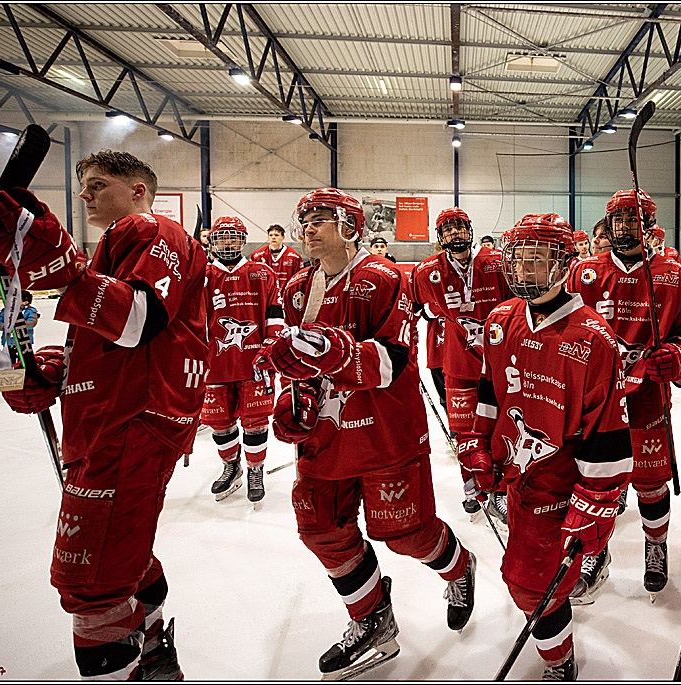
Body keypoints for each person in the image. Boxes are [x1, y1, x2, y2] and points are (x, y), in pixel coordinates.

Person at [0, 149, 208, 679]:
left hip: (131, 421)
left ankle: (135, 661)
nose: (84, 194)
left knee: (90, 581)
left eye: (98, 184)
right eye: (84, 185)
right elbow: (106, 340)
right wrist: (53, 370)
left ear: (138, 190)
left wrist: (59, 266)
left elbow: (139, 319)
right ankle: (152, 651)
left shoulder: (150, 228)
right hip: (116, 419)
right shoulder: (118, 244)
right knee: (123, 554)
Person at [253, 188, 477, 680]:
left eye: (321, 218)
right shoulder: (296, 288)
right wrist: (294, 398)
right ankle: (372, 617)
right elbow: (296, 359)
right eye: (306, 219)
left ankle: (459, 566)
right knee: (320, 529)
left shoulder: (384, 278)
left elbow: (394, 360)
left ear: (350, 227)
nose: (309, 228)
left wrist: (335, 353)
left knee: (407, 534)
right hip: (327, 436)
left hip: (385, 433)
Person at [457, 213, 632, 680]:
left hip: (561, 477)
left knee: (532, 584)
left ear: (563, 264)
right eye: (518, 258)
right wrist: (478, 440)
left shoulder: (592, 336)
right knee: (536, 576)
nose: (523, 269)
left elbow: (608, 430)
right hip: (515, 471)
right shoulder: (500, 320)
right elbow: (492, 389)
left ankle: (559, 662)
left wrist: (597, 500)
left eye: (537, 258)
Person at [566, 189, 681, 604]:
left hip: (647, 398)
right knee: (594, 482)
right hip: (596, 400)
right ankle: (596, 551)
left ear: (649, 223)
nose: (625, 226)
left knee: (650, 483)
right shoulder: (583, 272)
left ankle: (656, 544)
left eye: (633, 218)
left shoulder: (673, 275)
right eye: (618, 219)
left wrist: (675, 355)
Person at [411, 207, 513, 525]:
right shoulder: (427, 271)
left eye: (459, 227)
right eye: (447, 229)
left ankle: (500, 489)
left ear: (470, 230)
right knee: (463, 432)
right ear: (439, 237)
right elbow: (409, 308)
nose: (455, 233)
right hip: (458, 362)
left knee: (503, 428)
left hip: (498, 361)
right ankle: (472, 485)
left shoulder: (497, 262)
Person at [202, 216, 283, 504]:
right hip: (214, 364)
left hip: (254, 362)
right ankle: (231, 466)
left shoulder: (262, 273)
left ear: (242, 240)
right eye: (222, 237)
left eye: (233, 237)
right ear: (213, 241)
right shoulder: (202, 275)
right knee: (219, 422)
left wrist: (271, 345)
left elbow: (275, 313)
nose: (227, 242)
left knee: (256, 422)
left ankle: (255, 470)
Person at [251, 223, 304, 298]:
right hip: (264, 296)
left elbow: (299, 281)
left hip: (285, 297)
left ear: (283, 237)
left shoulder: (294, 257)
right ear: (268, 237)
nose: (273, 237)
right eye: (271, 235)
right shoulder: (257, 256)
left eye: (276, 235)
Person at [0, 290, 40, 363]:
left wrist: (18, 324)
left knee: (23, 360)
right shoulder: (6, 310)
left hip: (24, 342)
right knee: (9, 360)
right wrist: (6, 326)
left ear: (26, 302)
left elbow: (32, 323)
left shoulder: (30, 311)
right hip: (9, 341)